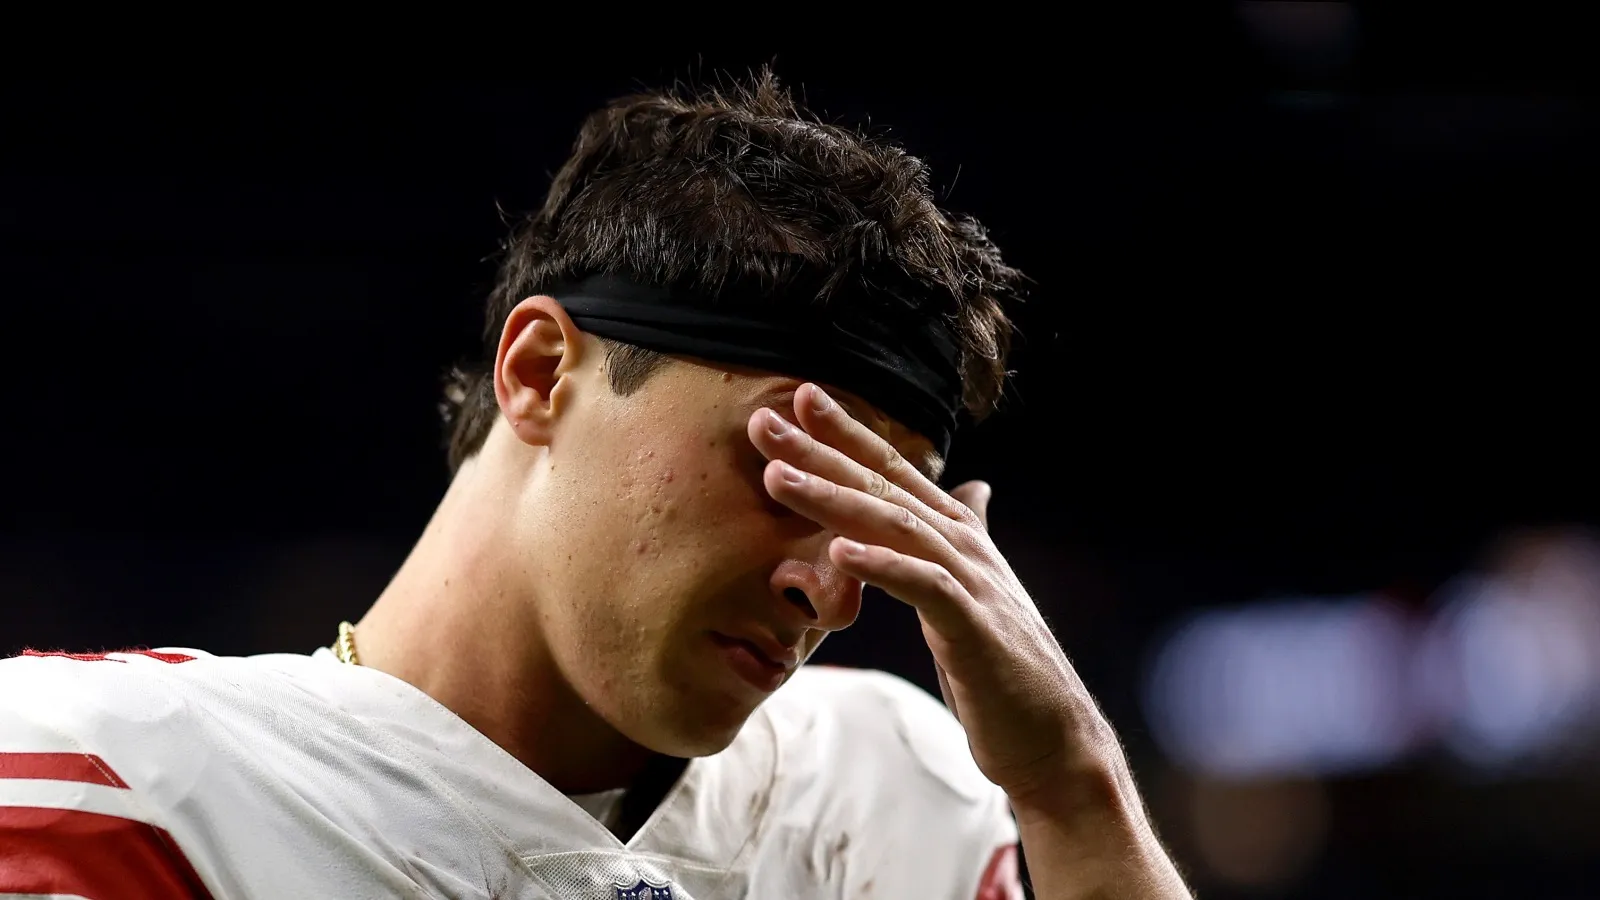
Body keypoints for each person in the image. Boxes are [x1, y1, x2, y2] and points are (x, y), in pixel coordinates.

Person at [0, 71, 1190, 899]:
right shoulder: (114, 789)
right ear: (539, 372)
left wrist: (1073, 790)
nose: (831, 593)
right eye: (789, 464)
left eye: (881, 511)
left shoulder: (877, 799)